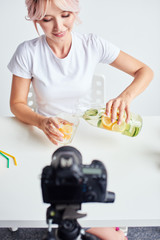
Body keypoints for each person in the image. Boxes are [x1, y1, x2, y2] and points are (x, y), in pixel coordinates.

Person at [8, 0, 153, 239]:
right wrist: (41, 121)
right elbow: (17, 104)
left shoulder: (92, 45)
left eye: (65, 15)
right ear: (35, 20)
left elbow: (144, 71)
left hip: (89, 130)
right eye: (47, 19)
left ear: (74, 12)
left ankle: (89, 220)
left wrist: (125, 97)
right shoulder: (27, 52)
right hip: (50, 136)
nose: (59, 26)